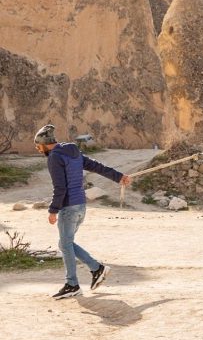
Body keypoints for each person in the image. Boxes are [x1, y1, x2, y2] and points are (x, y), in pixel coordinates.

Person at [34, 124, 131, 299]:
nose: (38, 150)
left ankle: (73, 284)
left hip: (69, 208)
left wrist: (53, 210)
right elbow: (97, 166)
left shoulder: (54, 157)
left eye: (38, 146)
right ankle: (96, 269)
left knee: (65, 244)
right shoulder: (74, 151)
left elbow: (60, 188)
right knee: (66, 243)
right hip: (81, 207)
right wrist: (119, 177)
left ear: (45, 143)